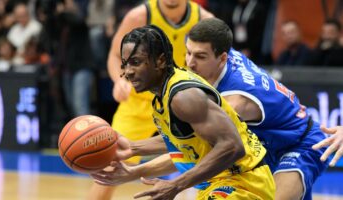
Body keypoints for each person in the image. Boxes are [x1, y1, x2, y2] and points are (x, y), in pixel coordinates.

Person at [93, 18, 329, 200]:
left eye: (201, 56)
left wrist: (161, 177)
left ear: (222, 57)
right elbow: (185, 140)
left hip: (299, 142)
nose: (191, 62)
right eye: (188, 52)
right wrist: (134, 149)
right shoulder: (210, 63)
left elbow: (209, 145)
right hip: (262, 144)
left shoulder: (235, 99)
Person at [88, 0, 214, 199]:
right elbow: (114, 56)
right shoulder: (139, 16)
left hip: (181, 101)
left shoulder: (205, 21)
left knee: (201, 162)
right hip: (138, 102)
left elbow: (216, 65)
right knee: (112, 166)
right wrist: (119, 81)